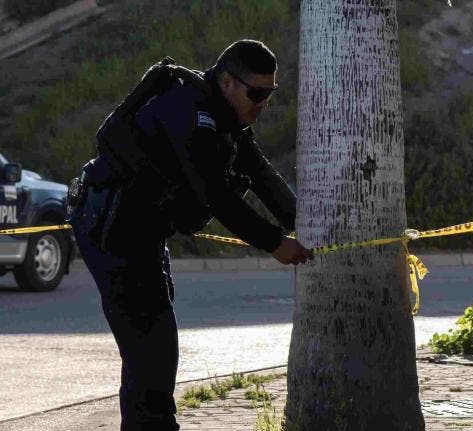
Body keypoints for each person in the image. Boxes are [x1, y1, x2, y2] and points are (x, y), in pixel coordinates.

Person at [67, 40, 312, 430]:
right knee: (152, 352)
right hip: (112, 227)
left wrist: (306, 223)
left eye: (270, 94)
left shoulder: (223, 113)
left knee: (150, 353)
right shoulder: (189, 111)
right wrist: (275, 243)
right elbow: (216, 196)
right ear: (229, 82)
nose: (263, 103)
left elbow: (261, 173)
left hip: (140, 230)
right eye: (257, 93)